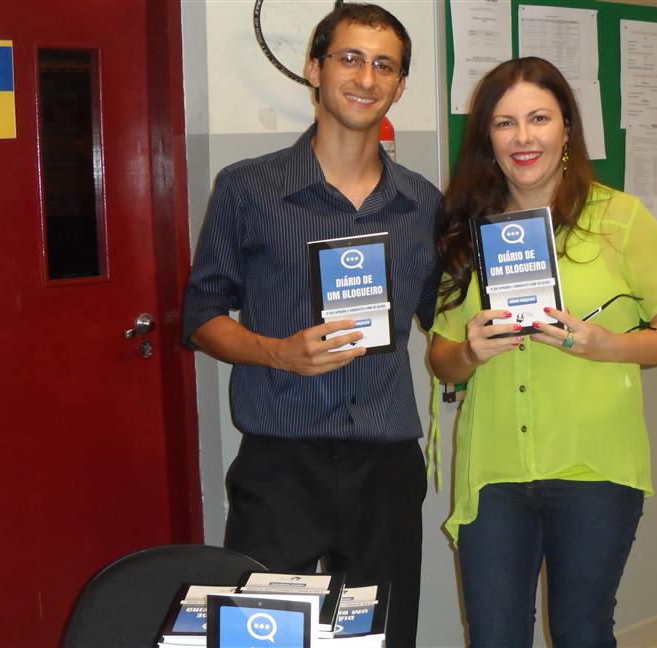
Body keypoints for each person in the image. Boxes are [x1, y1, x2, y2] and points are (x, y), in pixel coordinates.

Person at [182, 5, 440, 646]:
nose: (366, 77)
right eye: (350, 58)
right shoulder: (247, 189)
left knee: (381, 638)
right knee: (264, 640)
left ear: (399, 86)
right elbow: (201, 318)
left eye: (385, 66)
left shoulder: (423, 204)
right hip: (281, 467)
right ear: (315, 69)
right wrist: (276, 352)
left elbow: (448, 321)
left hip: (386, 466)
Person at [429, 58, 657, 647]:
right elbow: (440, 356)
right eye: (505, 124)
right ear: (487, 138)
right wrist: (471, 353)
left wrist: (608, 345)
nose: (523, 137)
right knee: (494, 638)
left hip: (594, 467)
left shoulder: (620, 219)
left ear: (567, 130)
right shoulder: (468, 229)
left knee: (582, 633)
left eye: (538, 119)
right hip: (495, 470)